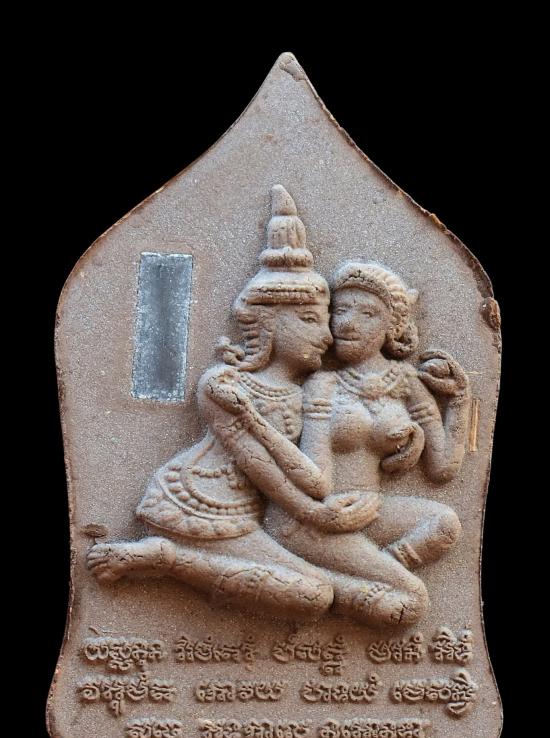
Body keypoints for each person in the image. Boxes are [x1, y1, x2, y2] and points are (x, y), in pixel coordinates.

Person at [87, 187, 378, 622]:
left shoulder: (305, 395)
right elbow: (266, 473)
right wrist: (320, 516)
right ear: (270, 321)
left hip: (247, 519)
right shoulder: (224, 385)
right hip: (192, 505)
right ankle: (164, 558)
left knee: (322, 593)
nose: (327, 336)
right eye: (310, 320)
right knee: (313, 596)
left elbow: (317, 481)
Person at [264, 260, 471, 626]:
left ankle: (360, 575)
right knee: (411, 603)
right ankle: (358, 580)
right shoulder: (323, 384)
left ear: (393, 326)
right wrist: (329, 511)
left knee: (445, 523)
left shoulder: (406, 382)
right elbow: (314, 474)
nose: (347, 323)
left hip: (370, 509)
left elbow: (442, 469)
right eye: (341, 310)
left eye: (367, 314)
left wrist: (458, 401)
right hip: (316, 517)